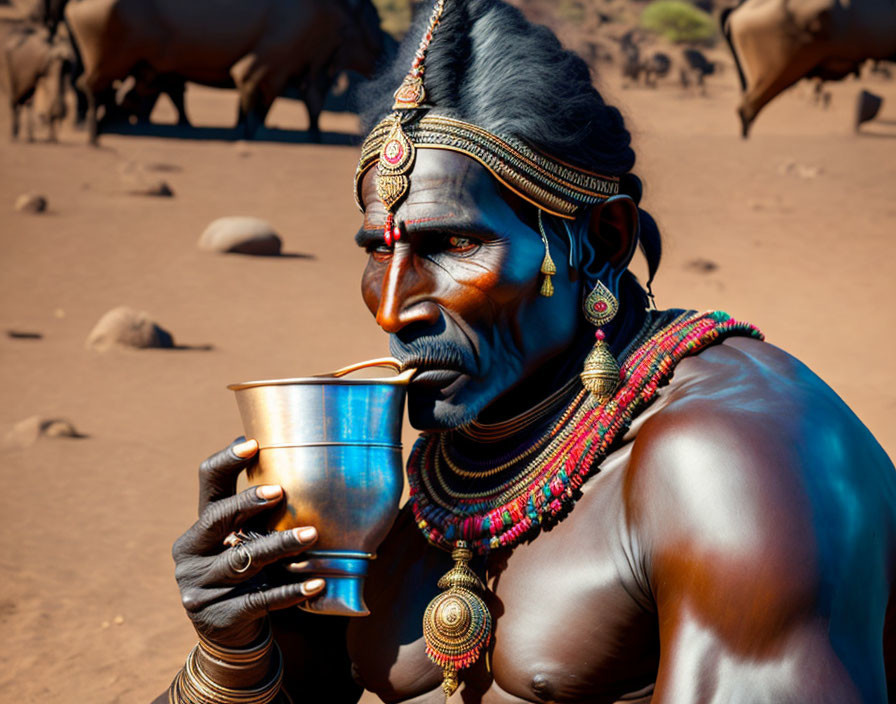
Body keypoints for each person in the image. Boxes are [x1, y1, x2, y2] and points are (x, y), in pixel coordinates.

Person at [156, 1, 896, 702]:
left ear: (601, 242)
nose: (391, 308)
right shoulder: (429, 481)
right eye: (379, 252)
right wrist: (238, 646)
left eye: (453, 244)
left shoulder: (732, 456)